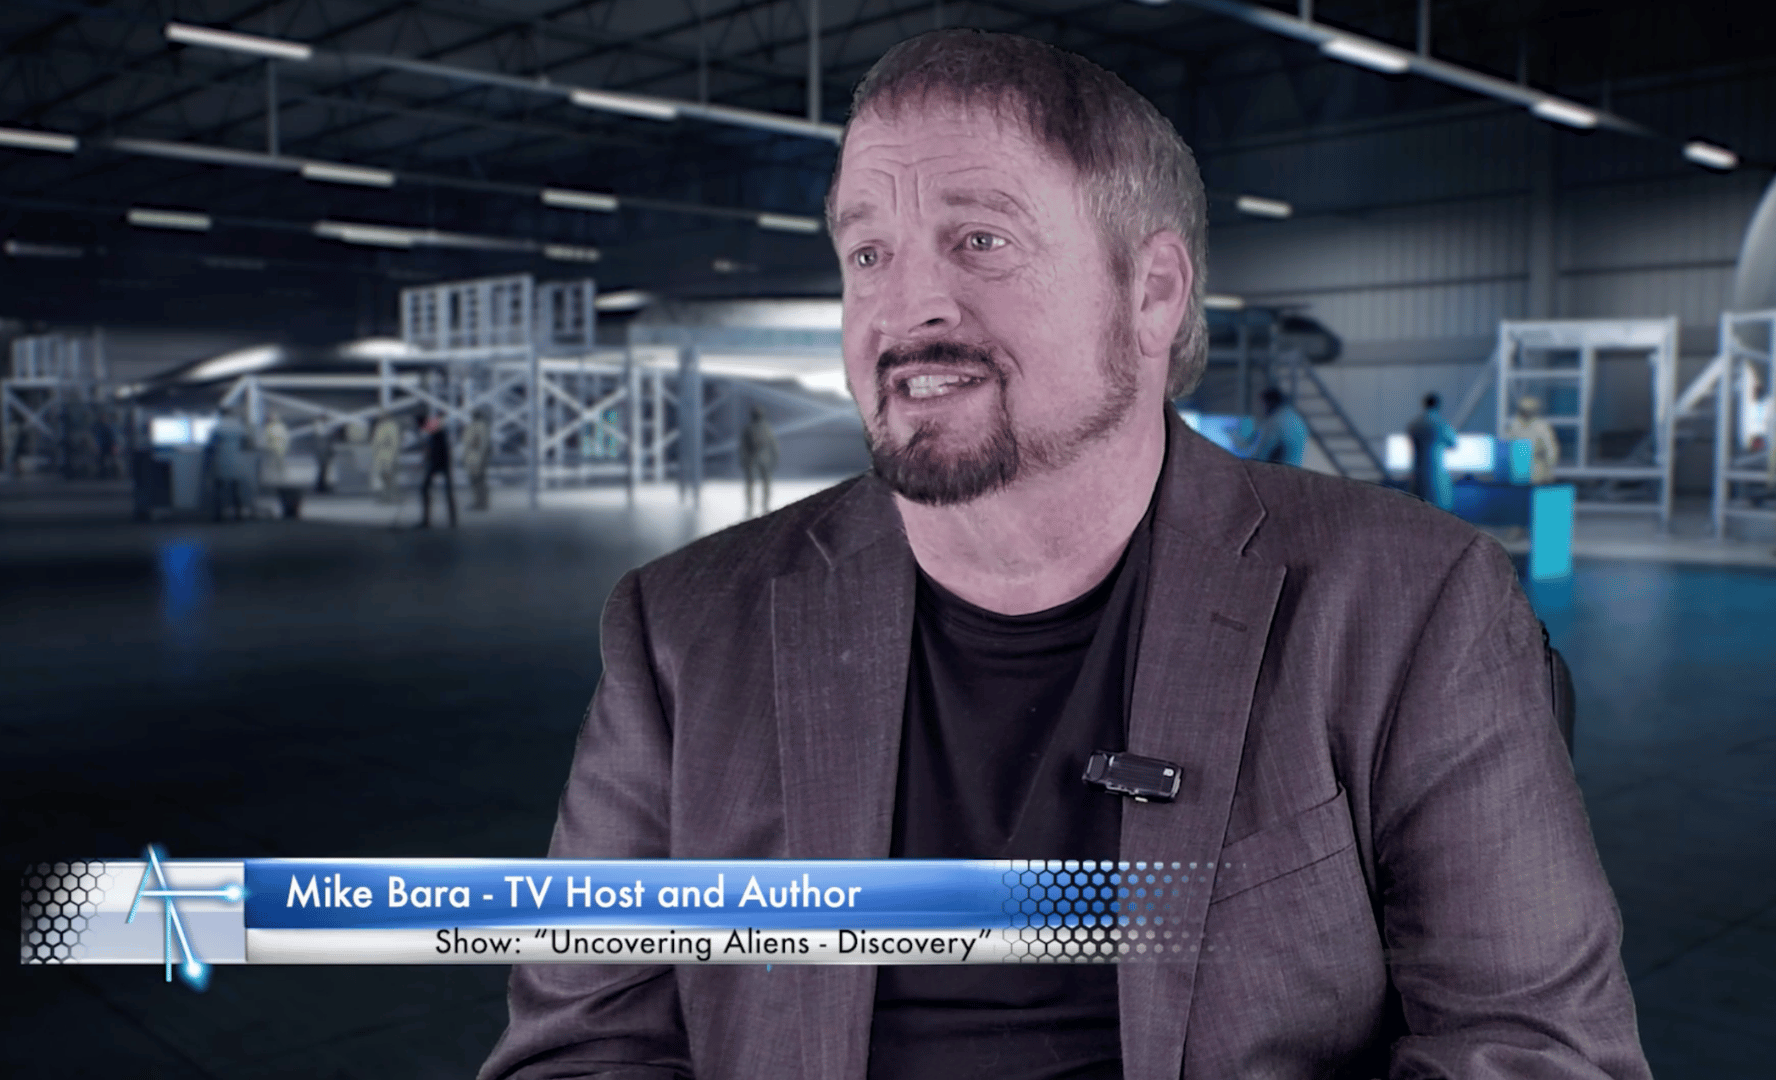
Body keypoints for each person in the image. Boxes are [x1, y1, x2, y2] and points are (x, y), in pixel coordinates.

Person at [481, 29, 1646, 1080]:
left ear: (1152, 293)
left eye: (979, 240)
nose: (906, 308)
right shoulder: (682, 631)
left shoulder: (1409, 604)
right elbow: (582, 1044)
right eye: (868, 253)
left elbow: (1537, 1047)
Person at [1407, 392, 1458, 510]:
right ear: (1438, 405)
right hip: (1437, 476)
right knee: (1439, 511)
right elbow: (1453, 443)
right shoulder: (1441, 425)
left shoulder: (1415, 424)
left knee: (1418, 510)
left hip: (1418, 474)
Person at [1504, 394, 1561, 485]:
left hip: (1537, 468)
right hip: (1518, 469)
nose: (1525, 413)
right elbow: (1506, 444)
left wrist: (1549, 467)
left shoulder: (1541, 426)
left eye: (1527, 411)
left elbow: (1551, 449)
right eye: (1523, 411)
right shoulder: (1515, 425)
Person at [1243, 386, 1306, 467]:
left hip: (1280, 470)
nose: (1260, 409)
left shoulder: (1277, 421)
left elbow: (1261, 455)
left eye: (1261, 405)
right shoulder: (1293, 415)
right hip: (1295, 468)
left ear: (1269, 403)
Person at [206, 407, 251, 521]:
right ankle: (238, 514)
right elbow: (247, 443)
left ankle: (219, 515)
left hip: (221, 459)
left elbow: (210, 446)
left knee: (219, 489)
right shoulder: (240, 427)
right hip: (236, 460)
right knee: (236, 489)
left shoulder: (217, 427)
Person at [738, 404, 779, 517]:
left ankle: (764, 506)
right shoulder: (750, 428)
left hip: (762, 458)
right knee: (752, 483)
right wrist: (743, 459)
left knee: (764, 483)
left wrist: (775, 458)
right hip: (753, 458)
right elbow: (743, 446)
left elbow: (773, 444)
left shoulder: (765, 427)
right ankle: (750, 507)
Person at [418, 411, 456, 528]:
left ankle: (427, 520)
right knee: (447, 492)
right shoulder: (434, 430)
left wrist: (428, 459)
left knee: (426, 489)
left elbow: (436, 449)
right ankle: (452, 520)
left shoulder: (435, 430)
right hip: (441, 464)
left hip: (439, 463)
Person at [461, 409, 491, 510]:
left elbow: (478, 443)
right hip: (475, 457)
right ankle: (480, 502)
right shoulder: (480, 426)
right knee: (477, 481)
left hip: (476, 458)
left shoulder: (479, 426)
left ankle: (480, 503)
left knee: (477, 481)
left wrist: (479, 458)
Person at [370, 415, 401, 503]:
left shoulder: (392, 426)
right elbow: (376, 441)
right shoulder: (380, 426)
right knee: (383, 477)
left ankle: (393, 497)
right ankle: (386, 497)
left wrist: (394, 456)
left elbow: (394, 442)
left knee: (390, 477)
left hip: (389, 455)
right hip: (380, 455)